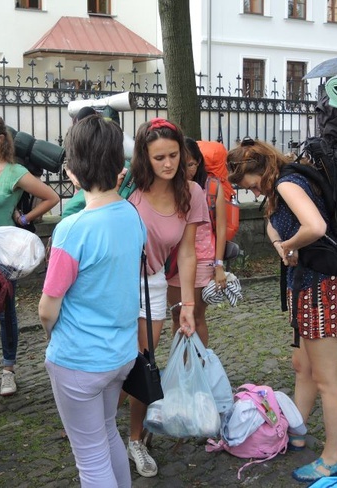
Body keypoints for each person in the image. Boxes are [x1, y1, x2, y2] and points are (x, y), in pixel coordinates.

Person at [227, 137, 337, 482]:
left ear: (259, 171)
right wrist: (281, 246)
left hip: (326, 287)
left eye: (248, 185)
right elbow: (274, 223)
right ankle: (297, 431)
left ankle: (334, 458)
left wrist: (289, 245)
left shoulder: (287, 183)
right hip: (306, 286)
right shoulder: (279, 187)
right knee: (302, 365)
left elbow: (315, 227)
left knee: (328, 380)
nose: (251, 193)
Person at [39, 114, 145, 488]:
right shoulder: (132, 215)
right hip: (120, 354)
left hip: (80, 360)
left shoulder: (73, 228)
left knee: (90, 456)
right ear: (120, 167)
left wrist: (52, 334)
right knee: (106, 433)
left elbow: (47, 308)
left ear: (71, 171)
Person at [125, 118, 206, 478]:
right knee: (112, 362)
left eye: (174, 155)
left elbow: (188, 253)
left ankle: (135, 438)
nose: (169, 164)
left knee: (144, 361)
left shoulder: (192, 192)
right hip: (114, 283)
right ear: (146, 157)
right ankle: (95, 427)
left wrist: (187, 305)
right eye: (159, 158)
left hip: (152, 284)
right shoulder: (130, 188)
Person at [0, 114, 60, 396]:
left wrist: (24, 219)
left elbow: (52, 197)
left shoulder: (13, 173)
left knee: (6, 313)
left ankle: (8, 370)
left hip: (4, 255)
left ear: (0, 139)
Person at [166, 137, 228, 346]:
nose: (186, 170)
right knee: (177, 316)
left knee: (197, 316)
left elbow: (220, 229)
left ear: (199, 162)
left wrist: (219, 265)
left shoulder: (211, 187)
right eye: (181, 165)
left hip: (203, 260)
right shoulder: (168, 188)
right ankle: (181, 363)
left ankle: (199, 365)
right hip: (174, 261)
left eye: (190, 164)